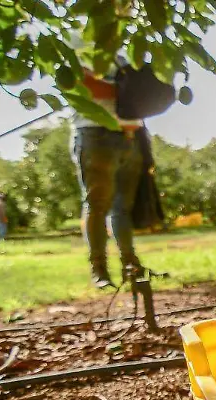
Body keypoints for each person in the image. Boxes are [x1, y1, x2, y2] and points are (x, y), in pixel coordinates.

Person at [70, 55, 148, 289]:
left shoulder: (122, 55)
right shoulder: (79, 45)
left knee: (121, 208)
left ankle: (131, 266)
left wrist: (133, 93)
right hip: (95, 134)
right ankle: (99, 270)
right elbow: (85, 86)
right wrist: (130, 93)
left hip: (129, 135)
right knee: (97, 203)